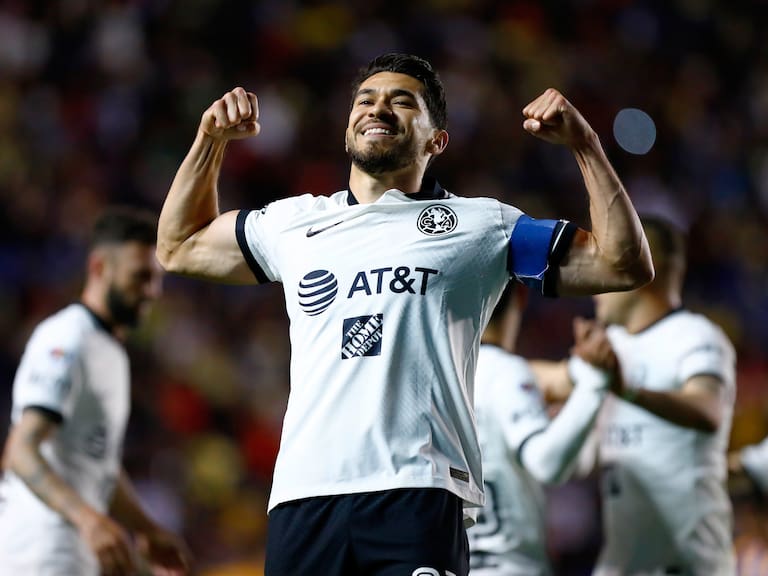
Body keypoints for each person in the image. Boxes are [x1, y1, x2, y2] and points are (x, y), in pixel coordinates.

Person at [156, 52, 653, 575]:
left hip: (416, 491)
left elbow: (622, 265)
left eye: (401, 101)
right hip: (303, 496)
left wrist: (585, 145)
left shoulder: (481, 226)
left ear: (436, 139)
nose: (378, 109)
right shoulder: (295, 223)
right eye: (366, 100)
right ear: (347, 126)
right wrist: (210, 142)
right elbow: (178, 246)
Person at [533, 215, 737, 575]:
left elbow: (708, 409)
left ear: (638, 265)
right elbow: (549, 379)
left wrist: (626, 390)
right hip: (622, 563)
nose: (596, 284)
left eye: (608, 264)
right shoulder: (612, 348)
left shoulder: (695, 335)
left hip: (687, 562)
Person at [0, 207, 190, 576]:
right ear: (99, 267)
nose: (152, 292)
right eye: (140, 278)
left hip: (74, 558)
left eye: (156, 279)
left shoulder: (110, 352)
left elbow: (97, 463)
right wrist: (89, 520)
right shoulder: (67, 339)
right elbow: (21, 450)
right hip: (36, 554)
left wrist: (146, 528)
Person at [468, 283, 614, 575]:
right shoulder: (503, 370)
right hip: (509, 564)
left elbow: (571, 463)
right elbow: (547, 464)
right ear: (521, 296)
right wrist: (594, 384)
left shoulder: (434, 379)